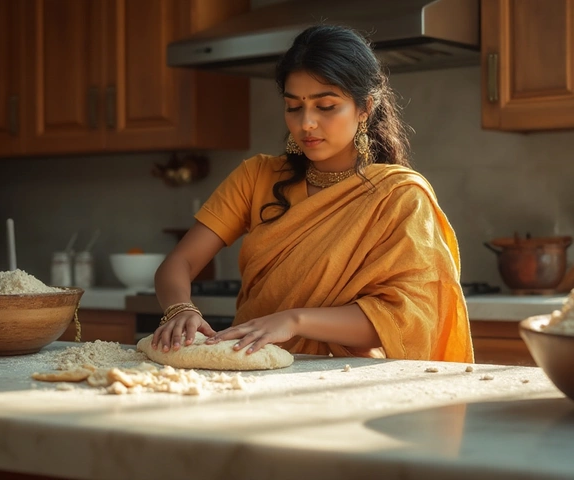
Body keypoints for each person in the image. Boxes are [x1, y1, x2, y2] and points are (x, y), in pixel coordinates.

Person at [151, 24, 474, 362]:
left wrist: (295, 321)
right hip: (251, 372)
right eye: (294, 107)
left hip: (343, 380)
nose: (306, 123)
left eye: (326, 106)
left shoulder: (400, 197)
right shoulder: (256, 176)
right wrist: (179, 309)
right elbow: (179, 262)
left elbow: (404, 319)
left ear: (364, 108)